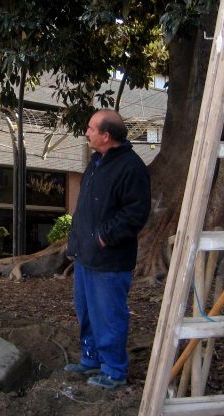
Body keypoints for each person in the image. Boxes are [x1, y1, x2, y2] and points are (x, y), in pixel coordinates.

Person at [64, 109, 151, 390]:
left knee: (109, 316)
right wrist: (75, 244)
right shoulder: (97, 161)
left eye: (91, 128)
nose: (86, 132)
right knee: (86, 311)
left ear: (106, 135)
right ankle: (91, 359)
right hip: (85, 257)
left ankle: (114, 370)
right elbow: (85, 210)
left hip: (110, 260)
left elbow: (136, 213)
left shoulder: (131, 167)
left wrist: (103, 237)